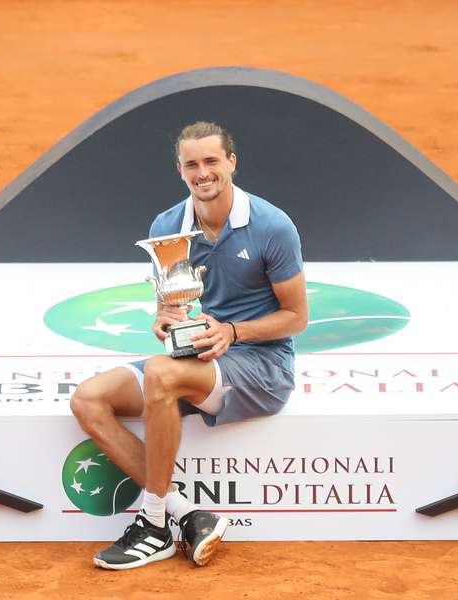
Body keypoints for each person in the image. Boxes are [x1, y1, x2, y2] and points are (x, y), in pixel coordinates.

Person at [71, 121, 308, 570]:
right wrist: (163, 321)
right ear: (180, 170)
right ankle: (185, 513)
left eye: (212, 161)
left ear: (231, 163)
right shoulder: (167, 226)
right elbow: (169, 308)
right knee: (89, 398)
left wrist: (232, 332)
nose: (203, 172)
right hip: (194, 362)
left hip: (262, 367)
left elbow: (297, 317)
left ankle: (154, 522)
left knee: (162, 374)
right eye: (192, 164)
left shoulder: (273, 226)